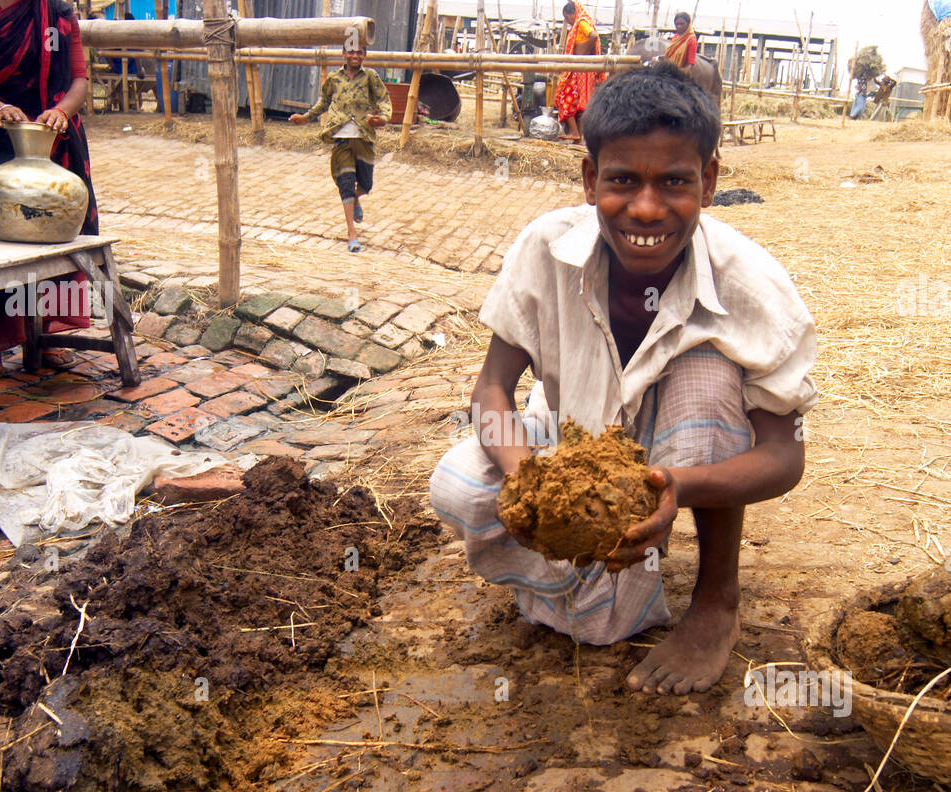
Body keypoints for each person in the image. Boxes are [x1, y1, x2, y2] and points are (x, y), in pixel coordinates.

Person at [429, 62, 817, 696]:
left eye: (673, 182)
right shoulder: (545, 249)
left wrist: (675, 488)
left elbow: (783, 455)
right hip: (571, 437)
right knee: (465, 491)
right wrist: (530, 475)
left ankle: (716, 599)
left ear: (709, 181)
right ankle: (593, 586)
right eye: (621, 181)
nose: (645, 207)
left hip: (677, 454)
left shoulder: (750, 284)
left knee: (707, 371)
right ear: (588, 179)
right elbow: (492, 390)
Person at [0, 0, 98, 387]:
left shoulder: (58, 13)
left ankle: (47, 333)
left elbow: (79, 79)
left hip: (58, 139)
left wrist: (62, 110)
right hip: (0, 136)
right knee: (1, 243)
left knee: (57, 239)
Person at [289, 42, 391, 254]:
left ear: (364, 55)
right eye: (351, 51)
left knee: (366, 184)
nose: (355, 55)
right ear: (344, 53)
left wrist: (381, 119)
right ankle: (351, 234)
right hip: (341, 139)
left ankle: (356, 199)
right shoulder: (334, 79)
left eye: (359, 52)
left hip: (363, 138)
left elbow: (383, 100)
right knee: (345, 183)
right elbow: (323, 103)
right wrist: (306, 117)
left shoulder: (370, 76)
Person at [554, 1, 604, 141]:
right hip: (586, 70)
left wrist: (582, 51)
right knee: (583, 104)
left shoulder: (581, 22)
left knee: (565, 97)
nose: (567, 21)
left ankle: (576, 133)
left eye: (566, 17)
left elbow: (594, 36)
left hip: (581, 69)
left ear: (572, 13)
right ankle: (579, 137)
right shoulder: (581, 22)